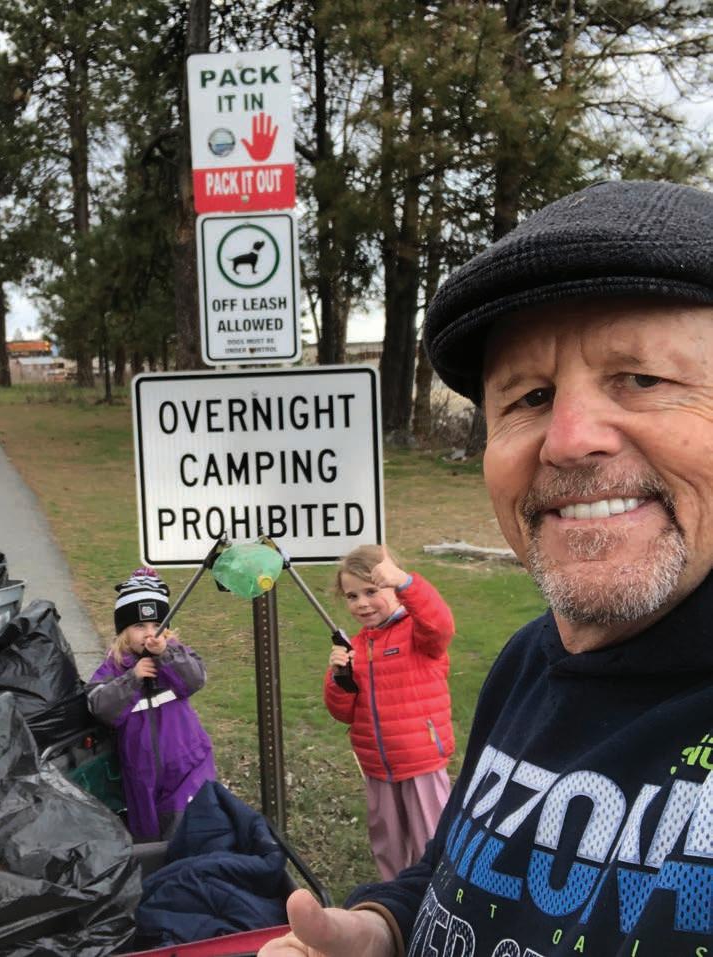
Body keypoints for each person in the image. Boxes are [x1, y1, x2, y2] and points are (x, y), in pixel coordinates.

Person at [259, 178, 713, 957]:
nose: (567, 439)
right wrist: (385, 928)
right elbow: (460, 867)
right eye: (529, 397)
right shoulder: (528, 661)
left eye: (641, 379)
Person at [326, 543, 454, 880]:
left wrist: (407, 583)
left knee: (431, 839)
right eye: (352, 596)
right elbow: (342, 712)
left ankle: (436, 893)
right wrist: (339, 677)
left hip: (420, 761)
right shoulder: (354, 646)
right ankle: (394, 896)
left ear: (393, 587)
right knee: (389, 844)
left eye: (371, 591)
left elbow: (441, 624)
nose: (362, 603)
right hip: (377, 766)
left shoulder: (418, 632)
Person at [87, 567, 216, 842]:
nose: (149, 633)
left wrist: (166, 655)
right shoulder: (114, 667)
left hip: (188, 766)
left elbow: (195, 679)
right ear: (124, 631)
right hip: (141, 774)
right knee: (150, 836)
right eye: (139, 626)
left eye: (156, 625)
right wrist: (132, 679)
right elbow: (100, 707)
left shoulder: (175, 654)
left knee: (187, 830)